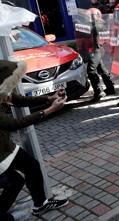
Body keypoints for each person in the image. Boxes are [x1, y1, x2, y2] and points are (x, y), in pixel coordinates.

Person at [0, 61, 69, 219]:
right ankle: (39, 204)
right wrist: (49, 111)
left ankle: (39, 204)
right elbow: (12, 124)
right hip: (2, 152)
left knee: (19, 178)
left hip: (5, 146)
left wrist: (49, 98)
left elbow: (19, 100)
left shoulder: (2, 91)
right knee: (21, 175)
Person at [81, 8, 116, 103]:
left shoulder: (97, 24)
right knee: (101, 68)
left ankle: (98, 91)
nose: (87, 17)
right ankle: (110, 88)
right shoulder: (96, 24)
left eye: (89, 16)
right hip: (97, 48)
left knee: (91, 71)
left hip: (96, 49)